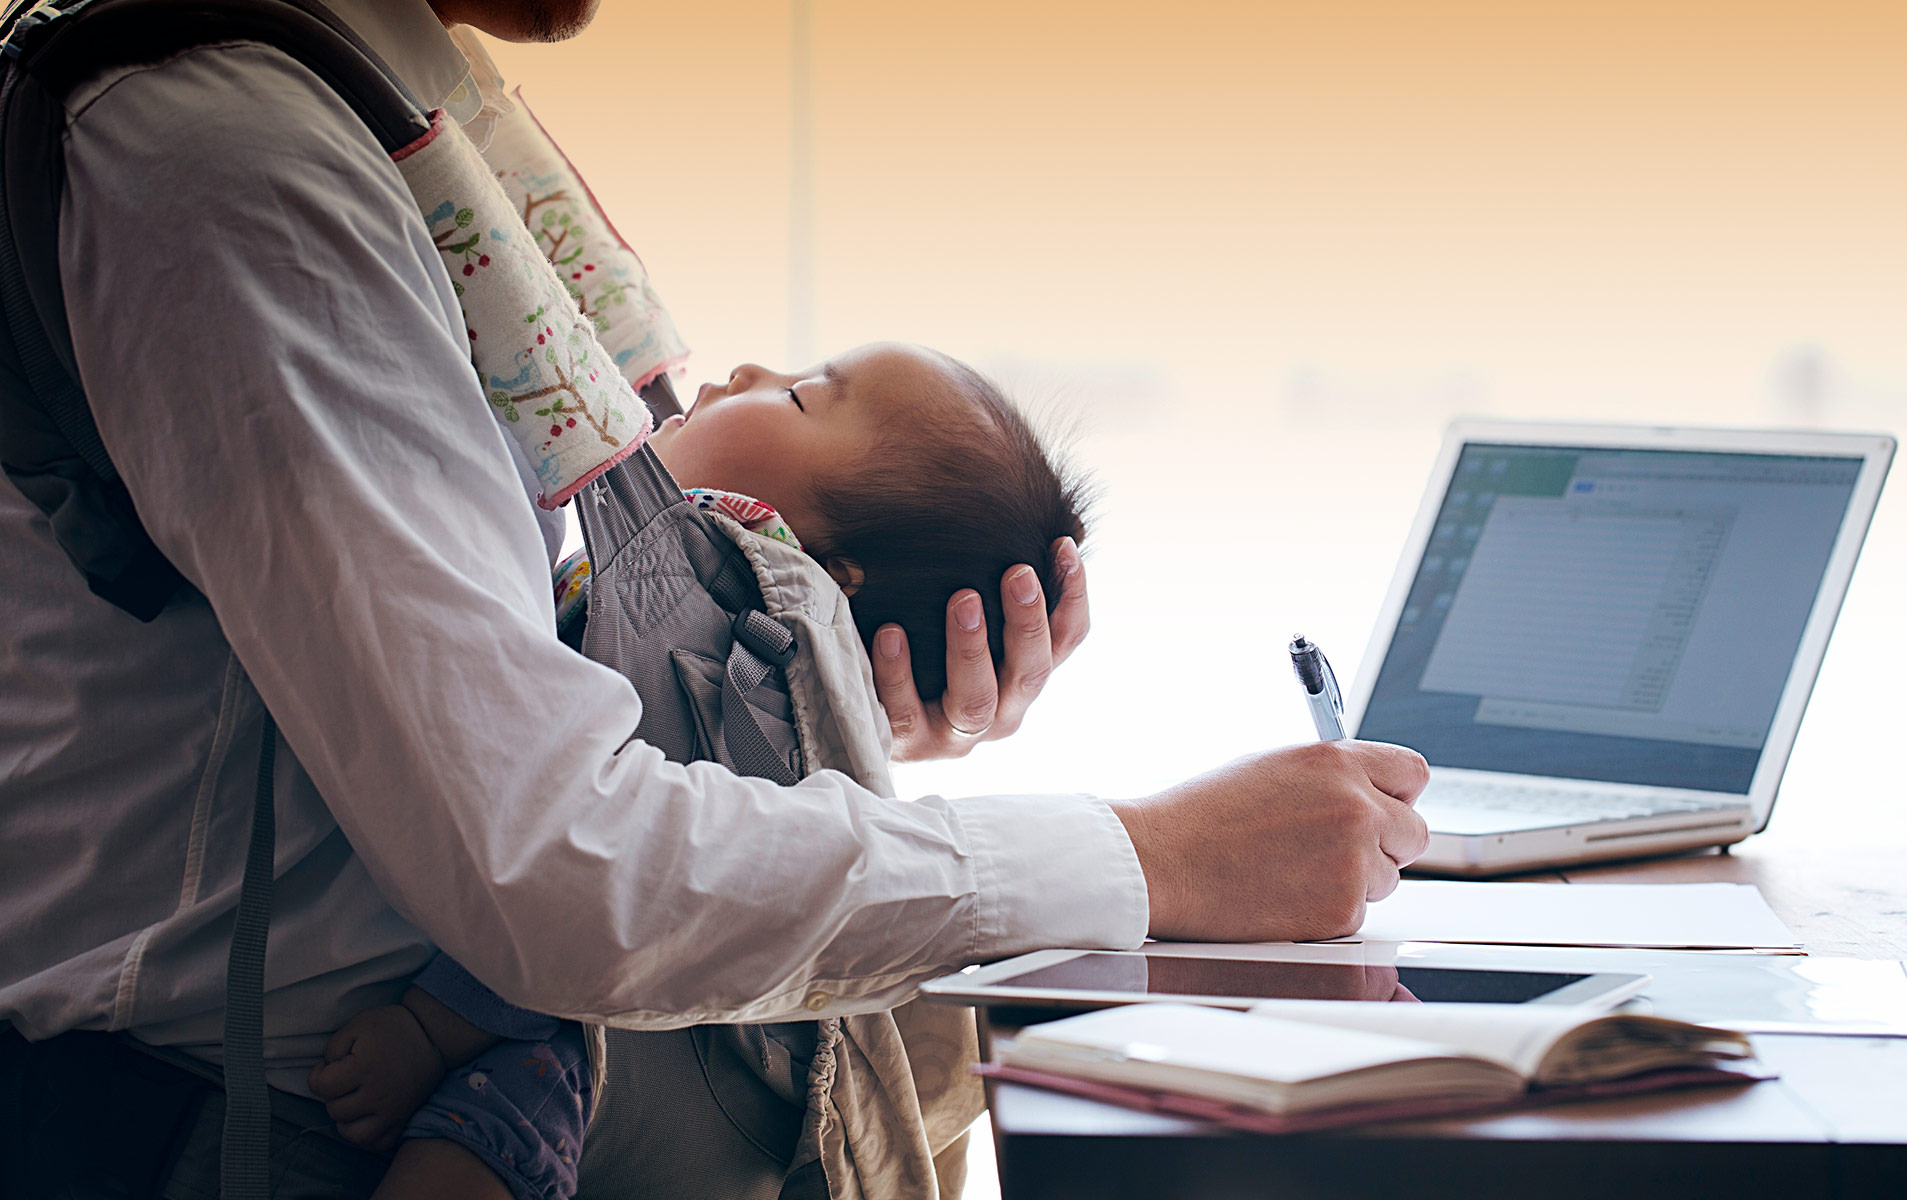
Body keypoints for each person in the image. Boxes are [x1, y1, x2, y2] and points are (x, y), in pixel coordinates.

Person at [0, 0, 1430, 1193]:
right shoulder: (229, 154)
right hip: (219, 1131)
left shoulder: (403, 76)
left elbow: (482, 681)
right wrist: (1154, 857)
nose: (745, 380)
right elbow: (552, 870)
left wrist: (828, 727)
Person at [311, 340, 1093, 1200]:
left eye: (802, 399)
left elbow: (600, 867)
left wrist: (431, 1032)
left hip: (564, 1049)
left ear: (828, 573)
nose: (749, 373)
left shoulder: (739, 663)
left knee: (488, 1135)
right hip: (531, 973)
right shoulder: (670, 598)